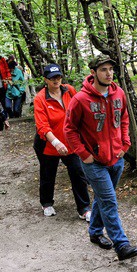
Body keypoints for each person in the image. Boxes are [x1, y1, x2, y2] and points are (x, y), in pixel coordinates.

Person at [64, 56, 137, 261]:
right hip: (94, 162)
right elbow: (69, 129)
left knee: (102, 197)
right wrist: (84, 154)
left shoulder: (119, 94)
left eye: (111, 69)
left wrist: (125, 144)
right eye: (103, 70)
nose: (109, 73)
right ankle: (121, 244)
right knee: (109, 200)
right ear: (93, 72)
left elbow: (124, 118)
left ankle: (95, 231)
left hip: (116, 158)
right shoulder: (80, 99)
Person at [33, 63, 92, 220]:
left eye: (58, 77)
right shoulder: (40, 99)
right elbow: (42, 127)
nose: (56, 80)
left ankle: (84, 208)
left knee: (78, 172)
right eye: (52, 78)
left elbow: (81, 108)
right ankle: (46, 203)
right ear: (46, 80)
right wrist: (56, 143)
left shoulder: (69, 90)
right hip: (48, 145)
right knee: (48, 173)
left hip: (70, 142)